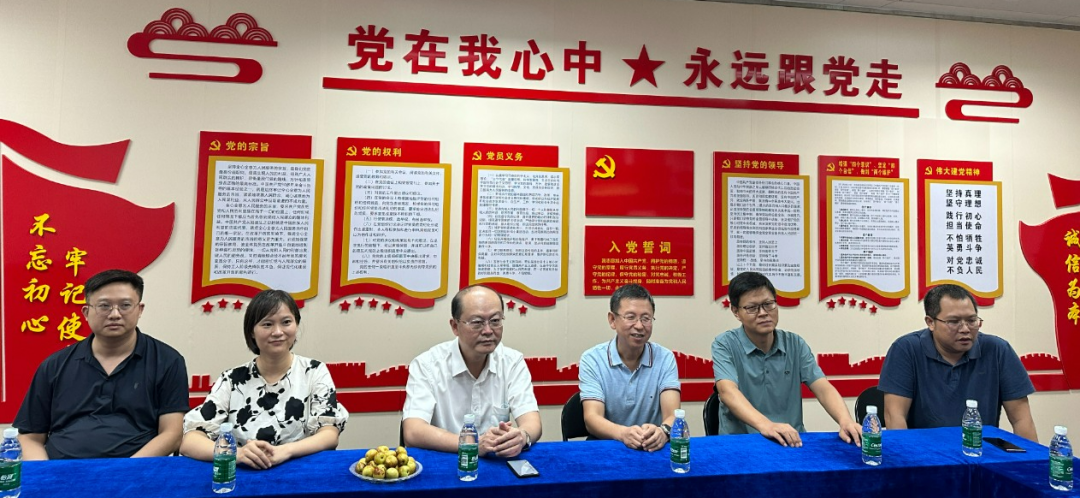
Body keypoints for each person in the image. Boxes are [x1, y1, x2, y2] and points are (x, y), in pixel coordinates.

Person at [13, 269, 190, 459]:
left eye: (125, 305)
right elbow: (30, 437)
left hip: (136, 469)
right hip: (64, 469)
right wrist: (46, 472)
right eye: (104, 306)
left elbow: (172, 434)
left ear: (140, 310)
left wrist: (126, 470)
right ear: (86, 312)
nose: (115, 314)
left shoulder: (167, 360)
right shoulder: (54, 366)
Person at [180, 289, 347, 469]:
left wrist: (286, 451)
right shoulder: (232, 379)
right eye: (267, 324)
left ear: (296, 325)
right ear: (252, 332)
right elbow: (190, 441)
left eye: (286, 322)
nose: (277, 332)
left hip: (300, 471)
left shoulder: (314, 371)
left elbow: (329, 434)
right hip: (245, 472)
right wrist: (238, 454)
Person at [712, 271, 861, 447]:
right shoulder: (725, 344)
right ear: (736, 312)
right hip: (741, 444)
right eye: (752, 308)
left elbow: (822, 387)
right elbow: (727, 392)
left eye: (768, 304)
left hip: (791, 442)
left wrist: (845, 421)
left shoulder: (795, 343)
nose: (763, 313)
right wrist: (766, 425)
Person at [878, 284, 1037, 441]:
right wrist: (907, 455)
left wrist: (1034, 456)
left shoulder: (997, 350)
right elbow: (895, 416)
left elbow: (1021, 419)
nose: (965, 329)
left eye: (972, 320)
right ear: (930, 322)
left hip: (980, 451)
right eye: (954, 322)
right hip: (924, 451)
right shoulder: (906, 349)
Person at [402, 285, 541, 458]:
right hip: (447, 459)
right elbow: (413, 431)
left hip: (497, 461)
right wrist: (471, 444)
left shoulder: (512, 362)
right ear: (455, 326)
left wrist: (522, 436)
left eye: (495, 321)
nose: (488, 331)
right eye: (477, 322)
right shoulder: (427, 365)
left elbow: (532, 422)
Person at [579, 283, 680, 451]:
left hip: (651, 447)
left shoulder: (665, 358)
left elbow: (673, 414)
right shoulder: (593, 359)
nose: (639, 326)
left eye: (646, 318)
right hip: (608, 446)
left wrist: (663, 432)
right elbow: (592, 418)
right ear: (612, 320)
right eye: (631, 317)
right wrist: (623, 433)